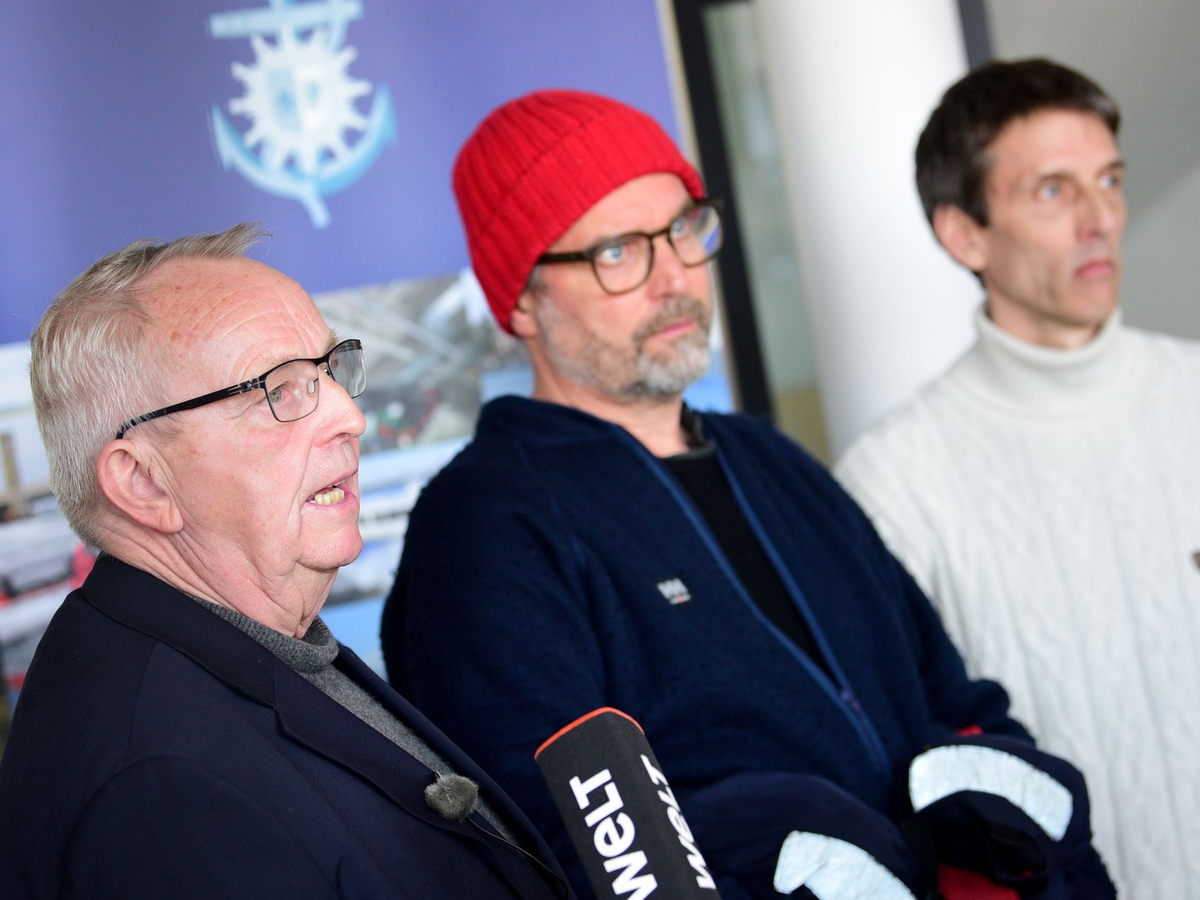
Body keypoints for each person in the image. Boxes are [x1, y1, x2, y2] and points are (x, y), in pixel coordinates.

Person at [383, 89, 1114, 899]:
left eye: (683, 229)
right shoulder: (484, 526)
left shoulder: (773, 461)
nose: (675, 277)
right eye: (619, 252)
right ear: (523, 298)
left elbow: (956, 702)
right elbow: (555, 848)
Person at [0, 224, 572, 900]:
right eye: (280, 390)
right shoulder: (165, 788)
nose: (350, 417)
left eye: (329, 371)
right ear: (144, 483)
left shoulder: (258, 646)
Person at [835, 58, 1200, 899]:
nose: (1100, 219)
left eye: (1110, 181)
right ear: (965, 235)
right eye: (1053, 191)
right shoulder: (891, 484)